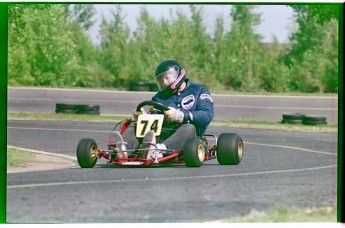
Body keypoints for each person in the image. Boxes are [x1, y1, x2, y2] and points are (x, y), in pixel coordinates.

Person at [108, 59, 214, 159]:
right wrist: (142, 117)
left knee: (189, 127)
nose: (164, 82)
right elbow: (154, 119)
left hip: (188, 137)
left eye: (167, 78)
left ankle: (160, 150)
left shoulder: (198, 90)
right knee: (137, 124)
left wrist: (180, 115)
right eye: (160, 80)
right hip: (160, 135)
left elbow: (207, 115)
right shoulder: (159, 97)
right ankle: (123, 149)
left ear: (178, 75)